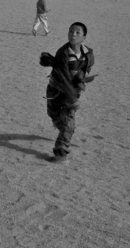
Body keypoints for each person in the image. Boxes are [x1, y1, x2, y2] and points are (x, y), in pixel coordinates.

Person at [39, 22, 95, 162]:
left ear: (84, 37)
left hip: (71, 94)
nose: (73, 34)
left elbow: (86, 68)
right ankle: (64, 130)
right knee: (54, 115)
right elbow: (63, 79)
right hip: (55, 91)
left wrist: (81, 80)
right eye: (71, 31)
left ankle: (60, 152)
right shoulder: (63, 53)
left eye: (77, 32)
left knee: (69, 122)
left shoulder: (88, 53)